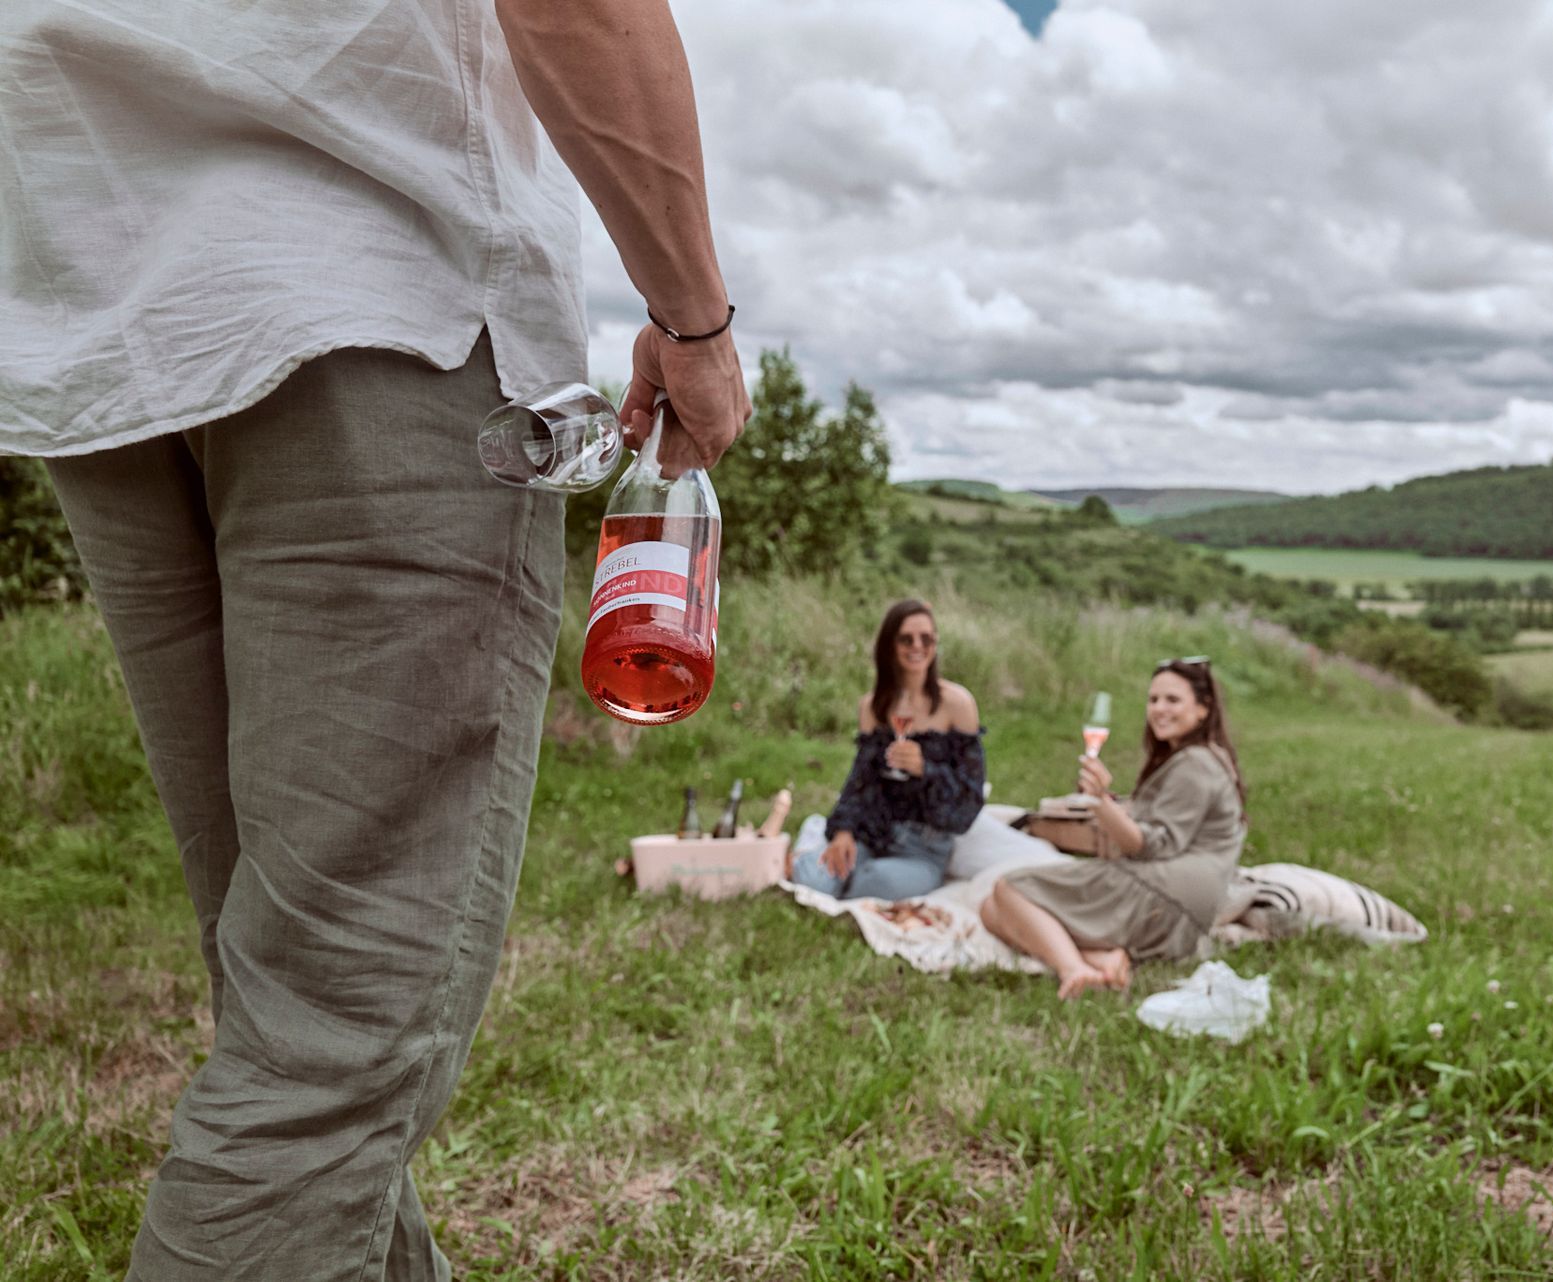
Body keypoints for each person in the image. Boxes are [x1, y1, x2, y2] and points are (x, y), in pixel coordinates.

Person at [0, 3, 750, 1278]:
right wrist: (695, 325)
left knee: (290, 1007)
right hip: (383, 311)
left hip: (109, 336)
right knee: (329, 1045)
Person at [982, 658, 1247, 1000]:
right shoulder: (1204, 757)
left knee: (1009, 891)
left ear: (1203, 709)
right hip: (1188, 906)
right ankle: (1103, 960)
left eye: (1172, 700)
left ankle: (1073, 971)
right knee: (992, 911)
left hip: (1168, 896)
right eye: (1153, 700)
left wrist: (1100, 802)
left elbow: (1150, 846)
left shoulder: (1195, 764)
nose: (1159, 710)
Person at [791, 600, 987, 902]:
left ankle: (843, 869)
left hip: (923, 848)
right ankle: (816, 849)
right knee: (816, 880)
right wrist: (844, 832)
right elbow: (859, 783)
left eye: (927, 638)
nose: (917, 646)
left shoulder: (957, 703)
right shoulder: (873, 706)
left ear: (936, 643)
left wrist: (925, 770)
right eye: (906, 638)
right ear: (890, 644)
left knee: (874, 882)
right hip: (872, 834)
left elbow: (969, 801)